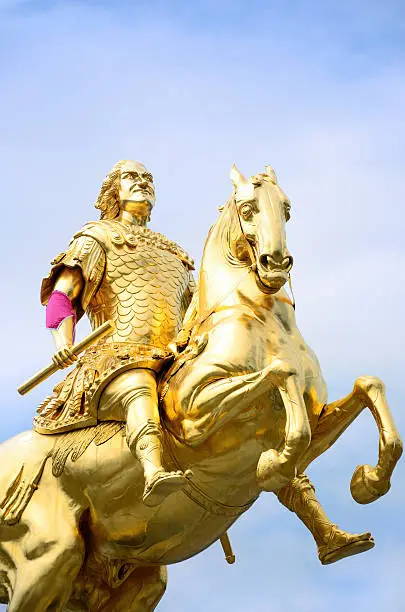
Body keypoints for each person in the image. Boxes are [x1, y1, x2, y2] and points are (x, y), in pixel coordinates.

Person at [35, 159, 196, 507]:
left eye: (148, 178)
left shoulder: (176, 253)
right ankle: (153, 470)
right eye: (131, 177)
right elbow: (62, 296)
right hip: (116, 360)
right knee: (138, 385)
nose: (142, 183)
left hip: (173, 358)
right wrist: (63, 343)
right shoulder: (97, 237)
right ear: (115, 191)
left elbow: (196, 309)